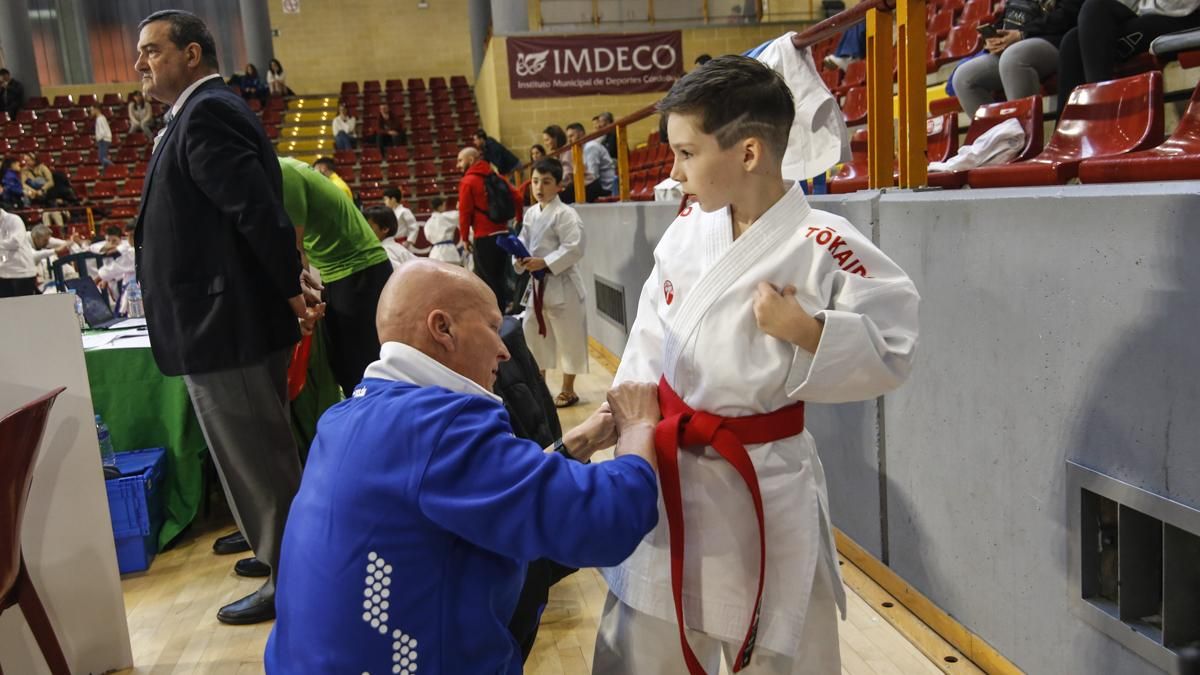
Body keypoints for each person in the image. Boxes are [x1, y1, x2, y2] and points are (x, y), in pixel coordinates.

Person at [591, 55, 920, 675]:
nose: (674, 172)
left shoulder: (827, 243)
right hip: (671, 467)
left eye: (687, 154)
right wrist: (623, 417)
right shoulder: (687, 228)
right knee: (645, 639)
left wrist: (807, 331)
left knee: (777, 645)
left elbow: (894, 347)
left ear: (748, 153)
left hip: (764, 481)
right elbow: (649, 333)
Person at [265, 260, 662, 674]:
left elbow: (491, 489)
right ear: (443, 328)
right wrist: (639, 426)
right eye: (492, 327)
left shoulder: (346, 417)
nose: (504, 350)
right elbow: (608, 519)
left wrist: (580, 441)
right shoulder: (441, 426)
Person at [133, 9, 324, 625]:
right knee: (253, 456)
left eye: (152, 50)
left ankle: (295, 582)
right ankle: (277, 555)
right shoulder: (195, 114)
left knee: (260, 461)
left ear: (192, 54)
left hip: (226, 324)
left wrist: (291, 288)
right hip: (220, 320)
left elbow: (257, 211)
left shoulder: (207, 111)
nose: (139, 62)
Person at [280, 156, 392, 398]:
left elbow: (295, 250)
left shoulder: (283, 173)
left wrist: (300, 309)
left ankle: (379, 416)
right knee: (343, 365)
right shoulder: (280, 172)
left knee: (363, 366)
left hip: (359, 269)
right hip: (336, 273)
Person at [513, 158, 588, 409]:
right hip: (537, 284)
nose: (539, 187)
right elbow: (522, 240)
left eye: (546, 182)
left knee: (568, 338)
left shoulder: (566, 214)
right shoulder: (531, 213)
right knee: (533, 335)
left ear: (558, 186)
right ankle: (540, 387)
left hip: (562, 283)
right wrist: (520, 258)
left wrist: (544, 262)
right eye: (535, 181)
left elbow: (575, 248)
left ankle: (568, 390)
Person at [1056, 0, 1200, 114]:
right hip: (1150, 12)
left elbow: (1176, 6)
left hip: (1183, 15)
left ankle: (1101, 115)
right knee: (1072, 40)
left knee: (1094, 10)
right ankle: (1065, 135)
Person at [951, 0, 1082, 117]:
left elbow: (1067, 14)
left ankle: (1024, 132)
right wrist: (995, 37)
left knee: (1013, 59)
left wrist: (1023, 34)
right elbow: (1009, 15)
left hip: (1055, 39)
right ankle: (998, 135)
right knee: (963, 77)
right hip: (1014, 44)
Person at [457, 146, 522, 312]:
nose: (458, 165)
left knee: (487, 281)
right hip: (504, 235)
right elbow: (517, 197)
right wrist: (519, 219)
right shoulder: (497, 177)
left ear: (471, 160)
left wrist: (464, 238)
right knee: (501, 278)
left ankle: (495, 316)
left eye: (460, 160)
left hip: (484, 237)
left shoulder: (468, 181)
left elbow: (465, 213)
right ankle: (504, 313)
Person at [566, 122, 616, 202]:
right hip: (595, 184)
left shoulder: (591, 147)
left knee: (566, 194)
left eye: (571, 136)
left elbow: (593, 176)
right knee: (567, 190)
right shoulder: (580, 149)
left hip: (605, 188)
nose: (569, 140)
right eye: (568, 137)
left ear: (581, 134)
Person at [0, 206, 39, 297]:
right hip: (3, 273)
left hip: (22, 273)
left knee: (24, 305)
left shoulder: (14, 220)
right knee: (5, 305)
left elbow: (16, 242)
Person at [364, 204, 415, 270]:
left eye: (368, 227)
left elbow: (397, 275)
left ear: (385, 229)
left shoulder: (384, 252)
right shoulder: (395, 248)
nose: (364, 231)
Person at [422, 196, 461, 265]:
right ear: (440, 207)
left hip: (435, 253)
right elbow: (460, 214)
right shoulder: (445, 216)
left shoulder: (428, 222)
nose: (445, 207)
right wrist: (459, 208)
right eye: (444, 205)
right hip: (449, 253)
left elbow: (428, 237)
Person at [541, 125, 574, 203]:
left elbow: (567, 177)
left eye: (547, 140)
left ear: (556, 138)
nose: (545, 143)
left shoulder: (567, 151)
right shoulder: (555, 155)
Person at [91, 105, 113, 169]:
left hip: (103, 140)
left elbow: (102, 132)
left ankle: (114, 167)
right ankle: (105, 172)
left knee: (101, 158)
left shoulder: (100, 119)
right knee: (103, 158)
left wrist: (98, 138)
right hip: (105, 139)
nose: (91, 112)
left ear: (96, 109)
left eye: (92, 110)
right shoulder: (102, 118)